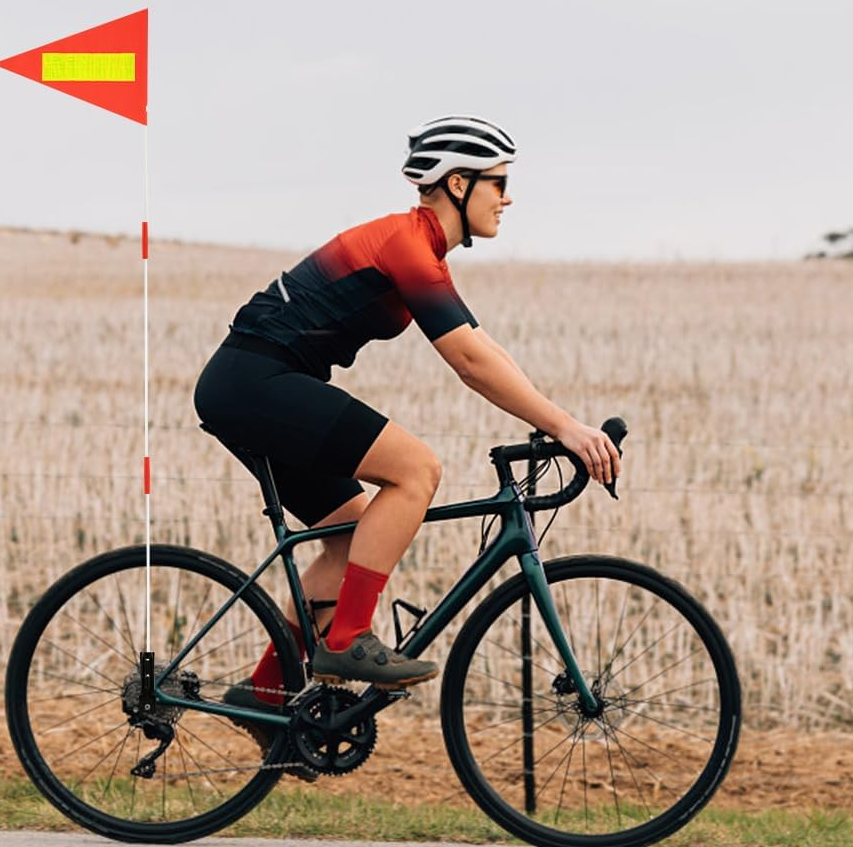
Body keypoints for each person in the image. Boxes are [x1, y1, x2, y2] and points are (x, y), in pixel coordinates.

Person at [193, 115, 621, 724]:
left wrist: (562, 421)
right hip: (253, 382)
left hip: (254, 383)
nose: (508, 198)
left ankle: (265, 697)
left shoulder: (422, 249)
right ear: (457, 184)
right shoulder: (406, 245)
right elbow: (469, 362)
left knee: (349, 530)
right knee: (416, 470)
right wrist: (566, 429)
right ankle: (347, 638)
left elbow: (483, 347)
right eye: (498, 183)